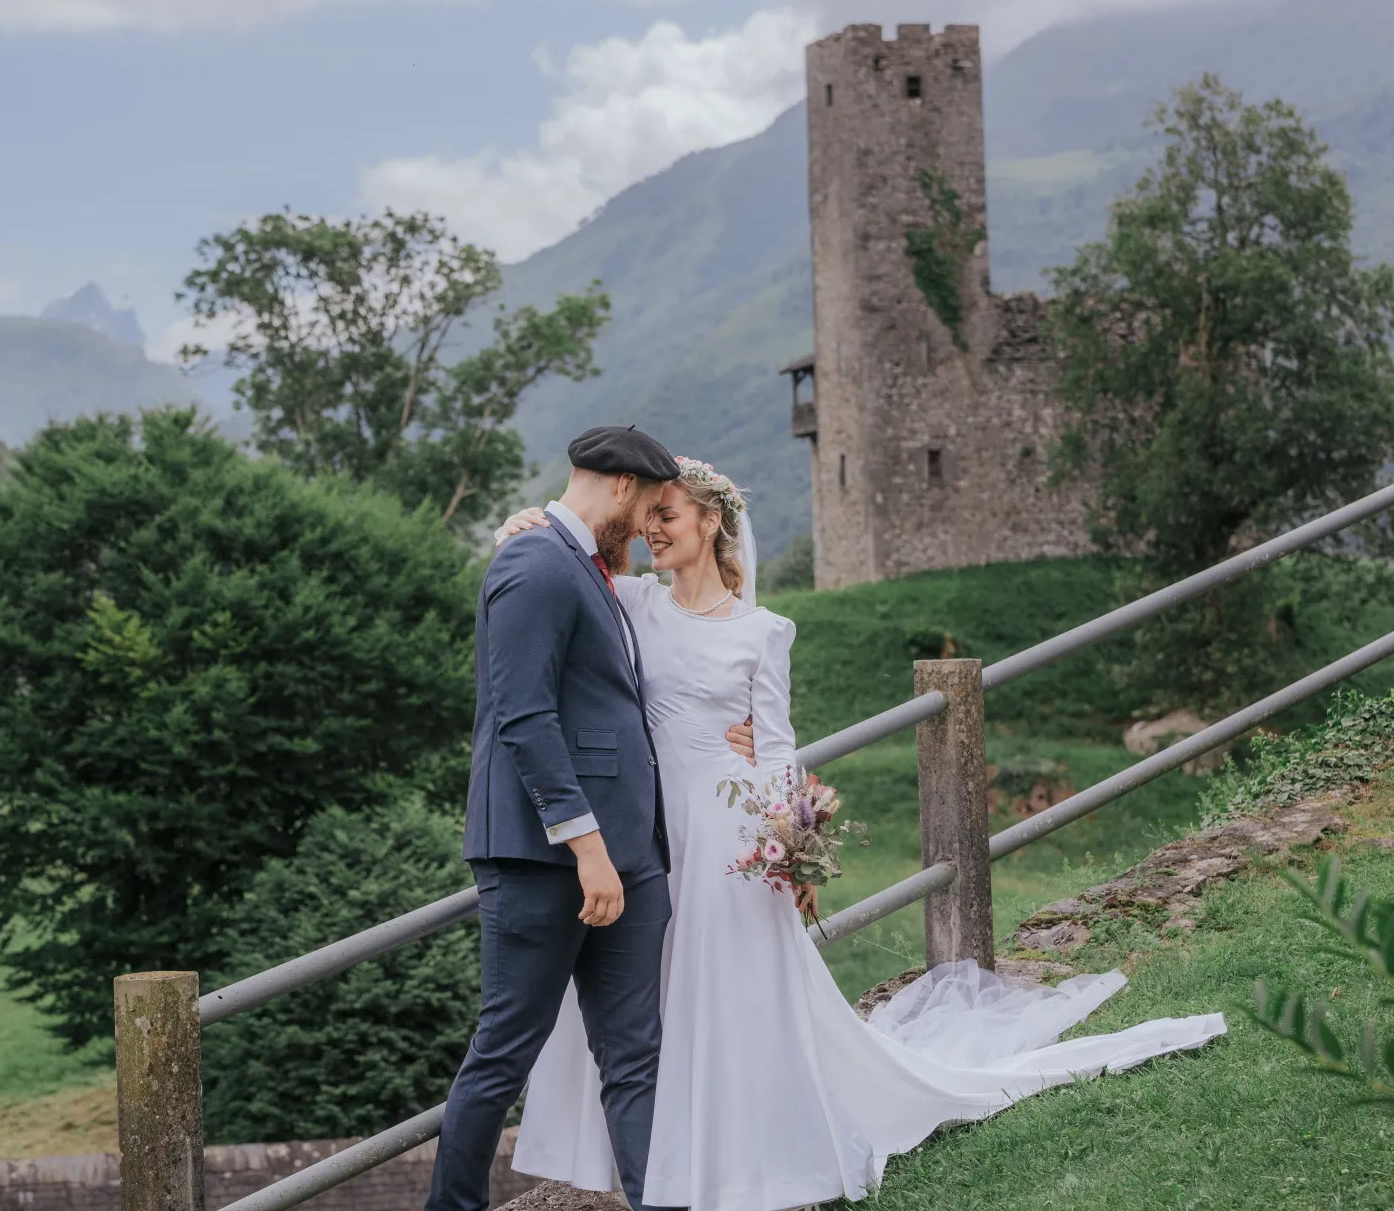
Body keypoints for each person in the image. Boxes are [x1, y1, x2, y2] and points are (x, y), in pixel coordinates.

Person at [493, 459, 1226, 1211]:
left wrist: (791, 847)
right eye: (649, 516)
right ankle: (664, 1157)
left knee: (729, 990)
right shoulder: (634, 601)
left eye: (668, 515)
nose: (652, 530)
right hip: (646, 827)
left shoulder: (762, 631)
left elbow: (775, 747)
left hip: (725, 834)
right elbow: (562, 572)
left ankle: (736, 1153)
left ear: (711, 522)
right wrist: (519, 527)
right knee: (648, 995)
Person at [425, 425, 688, 1211]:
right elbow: (524, 716)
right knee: (505, 1052)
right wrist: (588, 848)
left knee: (636, 1057)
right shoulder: (534, 562)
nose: (644, 527)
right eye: (646, 505)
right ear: (619, 485)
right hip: (545, 861)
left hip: (629, 858)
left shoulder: (583, 564)